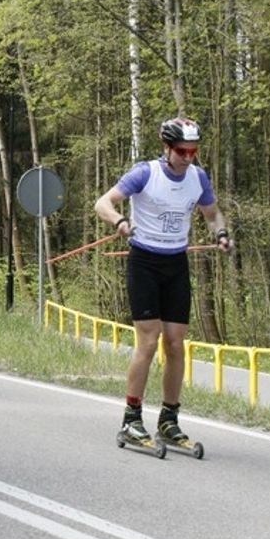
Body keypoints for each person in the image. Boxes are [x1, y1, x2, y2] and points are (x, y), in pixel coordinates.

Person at [93, 117, 232, 449]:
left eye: (193, 151)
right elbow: (102, 203)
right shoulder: (145, 173)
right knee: (149, 341)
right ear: (167, 148)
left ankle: (169, 419)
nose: (188, 158)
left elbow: (212, 214)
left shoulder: (198, 177)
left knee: (175, 343)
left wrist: (222, 234)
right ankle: (131, 418)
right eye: (182, 151)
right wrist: (120, 220)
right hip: (144, 261)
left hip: (176, 263)